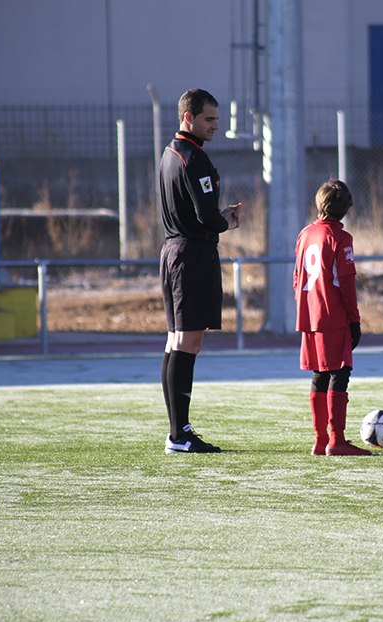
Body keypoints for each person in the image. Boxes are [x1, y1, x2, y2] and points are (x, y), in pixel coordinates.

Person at [159, 89, 243, 454]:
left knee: (175, 341)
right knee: (188, 342)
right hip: (191, 255)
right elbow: (206, 216)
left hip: (173, 251)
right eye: (209, 119)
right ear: (188, 117)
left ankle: (177, 431)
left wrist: (216, 218)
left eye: (216, 119)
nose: (216, 126)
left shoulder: (169, 152)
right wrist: (226, 221)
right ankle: (179, 435)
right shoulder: (192, 157)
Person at [293, 179, 370, 456]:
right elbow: (346, 284)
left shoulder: (304, 234)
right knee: (340, 372)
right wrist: (355, 320)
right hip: (332, 314)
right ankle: (336, 440)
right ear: (346, 209)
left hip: (310, 315)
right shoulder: (341, 238)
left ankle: (320, 440)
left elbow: (296, 278)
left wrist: (306, 307)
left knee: (320, 373)